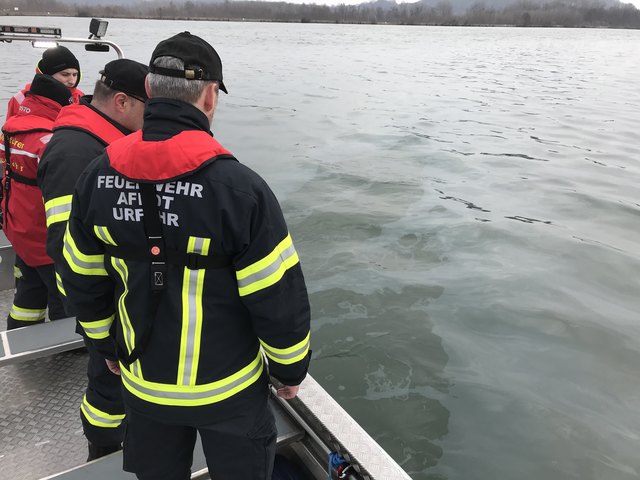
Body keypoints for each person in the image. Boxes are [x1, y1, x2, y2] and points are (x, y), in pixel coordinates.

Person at [60, 32, 311, 480]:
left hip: (142, 385)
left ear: (150, 90)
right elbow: (277, 293)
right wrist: (290, 367)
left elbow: (80, 277)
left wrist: (105, 346)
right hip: (228, 391)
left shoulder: (95, 176)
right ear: (210, 97)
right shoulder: (241, 189)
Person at [37, 58, 149, 461]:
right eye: (148, 108)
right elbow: (66, 251)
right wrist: (97, 326)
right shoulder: (76, 154)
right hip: (104, 307)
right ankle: (102, 451)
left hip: (114, 295)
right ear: (121, 102)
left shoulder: (100, 139)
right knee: (107, 383)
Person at [0, 74, 72, 330]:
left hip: (19, 225)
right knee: (64, 296)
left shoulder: (11, 128)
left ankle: (20, 332)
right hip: (44, 232)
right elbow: (60, 186)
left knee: (29, 291)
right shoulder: (50, 138)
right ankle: (69, 344)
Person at [6, 46, 83, 120]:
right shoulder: (20, 99)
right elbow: (9, 130)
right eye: (65, 74)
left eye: (75, 74)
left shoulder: (81, 98)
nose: (72, 81)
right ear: (47, 75)